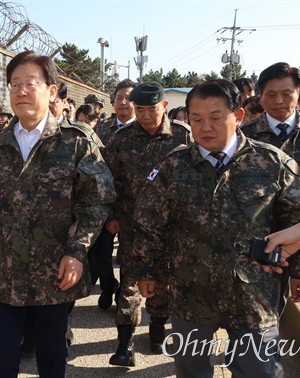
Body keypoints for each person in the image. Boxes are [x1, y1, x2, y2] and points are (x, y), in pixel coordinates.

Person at [130, 79, 300, 377]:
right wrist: (144, 271)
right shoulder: (173, 166)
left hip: (254, 292)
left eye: (216, 118)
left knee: (258, 371)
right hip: (191, 292)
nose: (205, 128)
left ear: (238, 117)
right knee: (192, 370)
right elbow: (148, 224)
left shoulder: (271, 162)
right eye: (196, 119)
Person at [0, 50, 116, 378]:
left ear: (51, 90)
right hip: (5, 277)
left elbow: (96, 202)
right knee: (1, 360)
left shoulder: (76, 142)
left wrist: (77, 252)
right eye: (14, 84)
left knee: (51, 355)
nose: (20, 91)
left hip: (55, 275)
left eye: (30, 83)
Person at [105, 81, 192, 365]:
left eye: (151, 109)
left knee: (163, 281)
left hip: (172, 227)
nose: (144, 115)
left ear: (164, 106)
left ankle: (157, 327)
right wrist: (113, 214)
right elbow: (111, 180)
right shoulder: (122, 138)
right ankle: (125, 343)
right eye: (138, 109)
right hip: (133, 225)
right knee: (129, 281)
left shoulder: (183, 136)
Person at [240, 62, 300, 311]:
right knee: (249, 315)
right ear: (260, 96)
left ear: (298, 92)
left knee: (277, 312)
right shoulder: (244, 138)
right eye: (271, 94)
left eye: (286, 93)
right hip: (251, 244)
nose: (278, 100)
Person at [87, 78, 137, 312]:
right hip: (104, 205)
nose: (124, 102)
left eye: (129, 98)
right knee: (100, 255)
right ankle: (109, 285)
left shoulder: (143, 131)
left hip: (133, 208)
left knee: (129, 258)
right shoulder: (102, 129)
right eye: (119, 97)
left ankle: (124, 299)